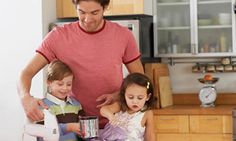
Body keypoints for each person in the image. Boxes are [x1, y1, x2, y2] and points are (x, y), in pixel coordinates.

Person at [17, 0, 144, 129]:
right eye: (81, 12)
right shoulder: (58, 37)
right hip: (75, 126)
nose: (87, 19)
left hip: (117, 123)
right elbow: (26, 73)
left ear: (105, 7)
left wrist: (118, 94)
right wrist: (25, 97)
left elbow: (140, 80)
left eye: (94, 13)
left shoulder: (123, 35)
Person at [99, 73, 157, 141]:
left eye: (140, 98)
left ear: (147, 97)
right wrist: (110, 116)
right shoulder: (120, 106)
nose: (135, 101)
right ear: (124, 95)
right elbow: (104, 109)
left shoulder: (147, 113)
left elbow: (150, 135)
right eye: (131, 97)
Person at [36, 60, 84, 141]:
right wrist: (68, 127)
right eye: (60, 84)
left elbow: (81, 132)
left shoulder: (76, 105)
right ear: (49, 82)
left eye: (69, 84)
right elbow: (41, 133)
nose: (65, 88)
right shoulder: (42, 106)